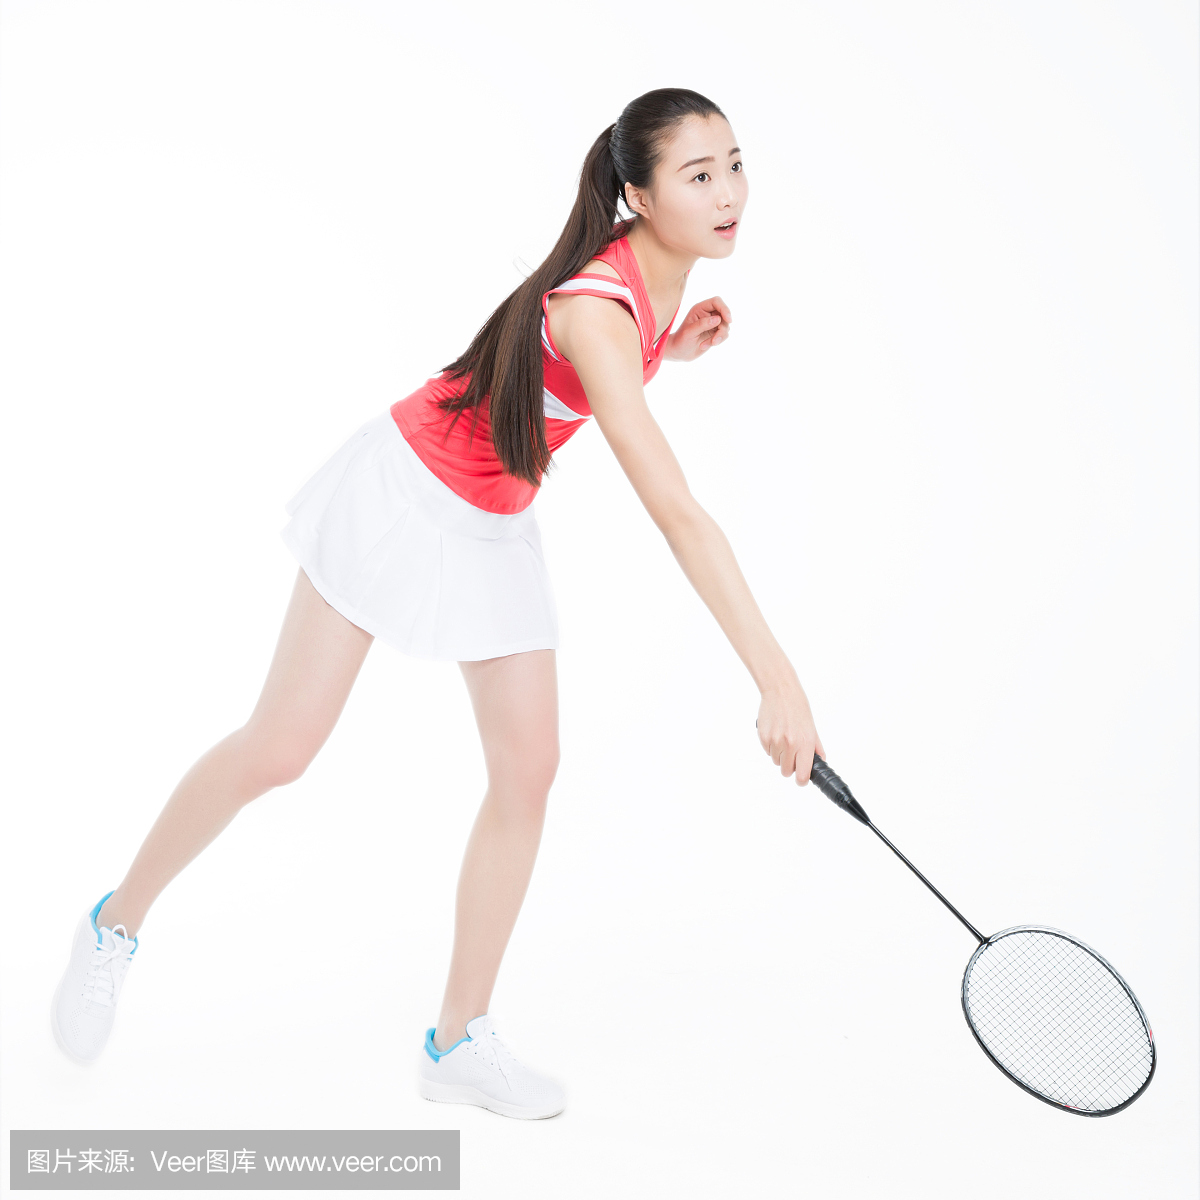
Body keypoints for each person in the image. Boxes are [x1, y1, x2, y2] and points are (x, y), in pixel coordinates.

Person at [51, 87, 826, 1120]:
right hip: (403, 492)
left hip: (493, 517)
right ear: (635, 194)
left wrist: (663, 352)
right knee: (280, 749)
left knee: (527, 771)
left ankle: (457, 1041)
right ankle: (114, 924)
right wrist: (777, 679)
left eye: (736, 163)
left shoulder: (643, 296)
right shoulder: (601, 305)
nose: (730, 193)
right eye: (698, 175)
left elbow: (578, 371)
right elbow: (676, 510)